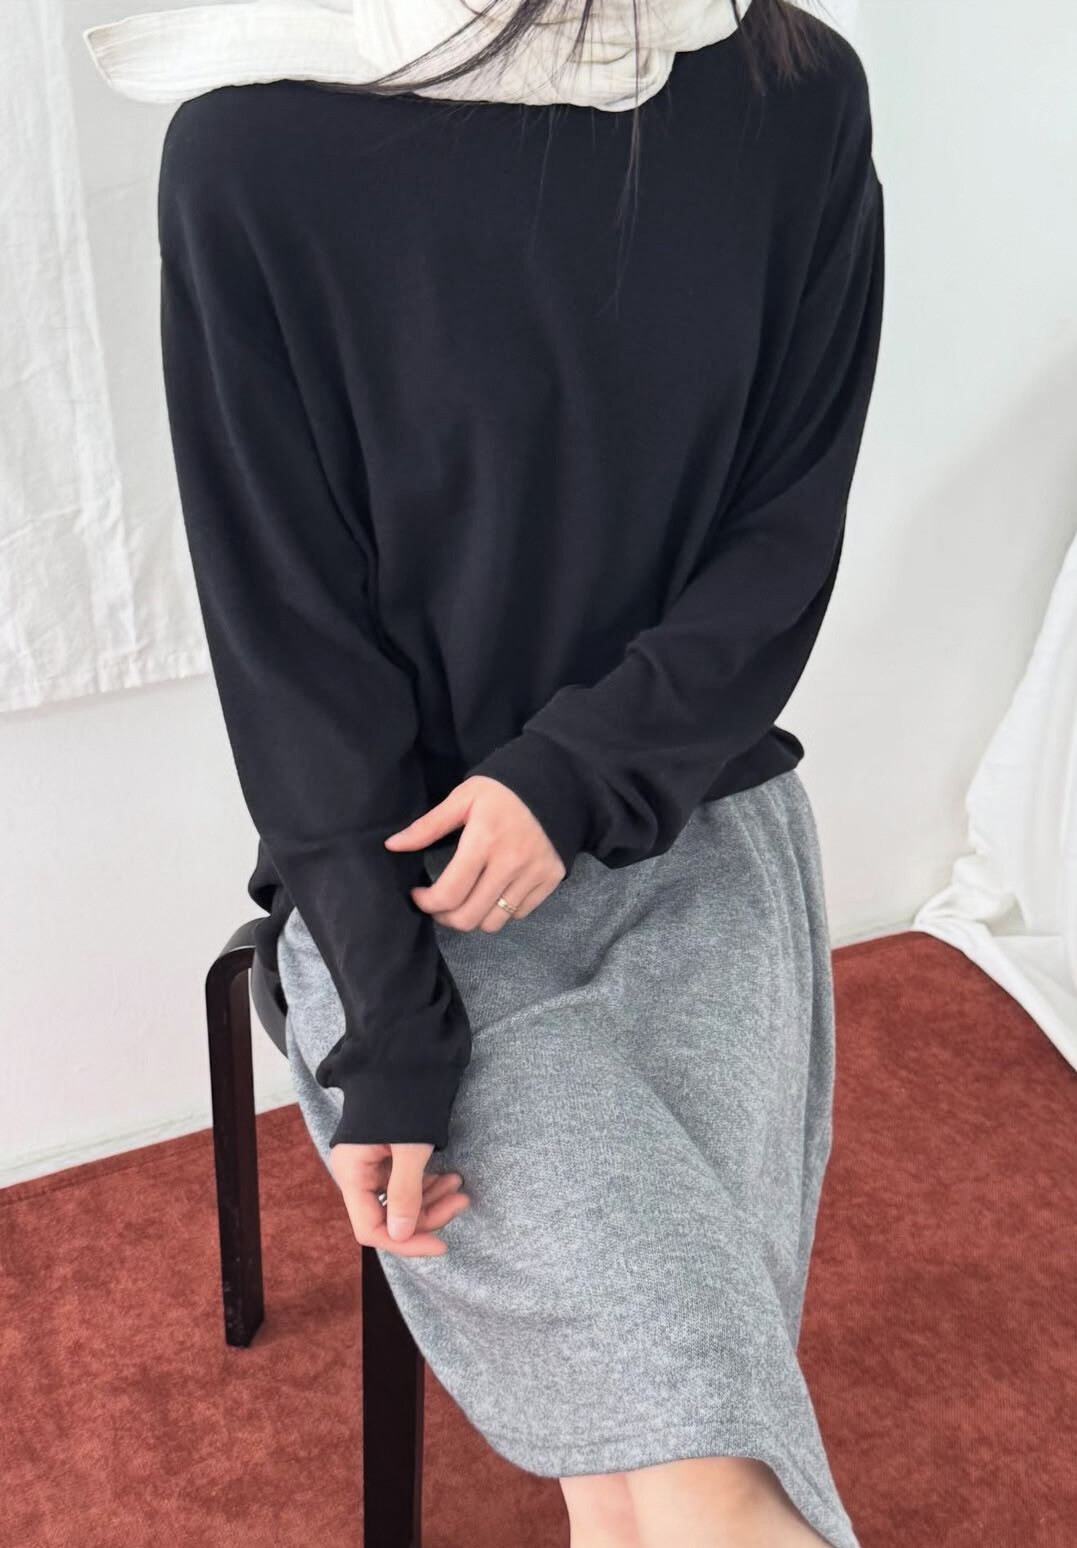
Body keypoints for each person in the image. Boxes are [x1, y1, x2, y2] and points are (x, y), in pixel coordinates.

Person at [84, 2, 885, 1543]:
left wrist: (569, 778)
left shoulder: (787, 94)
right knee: (697, 1452)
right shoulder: (251, 149)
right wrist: (392, 1031)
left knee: (653, 1452)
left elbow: (784, 542)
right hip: (413, 900)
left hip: (699, 844)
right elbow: (292, 650)